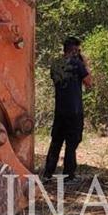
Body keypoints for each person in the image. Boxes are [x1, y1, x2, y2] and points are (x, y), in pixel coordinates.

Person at [42, 35, 93, 181]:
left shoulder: (55, 64)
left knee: (56, 141)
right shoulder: (78, 64)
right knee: (72, 142)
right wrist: (85, 64)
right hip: (74, 110)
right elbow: (89, 82)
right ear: (75, 50)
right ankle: (68, 175)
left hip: (60, 109)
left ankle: (47, 174)